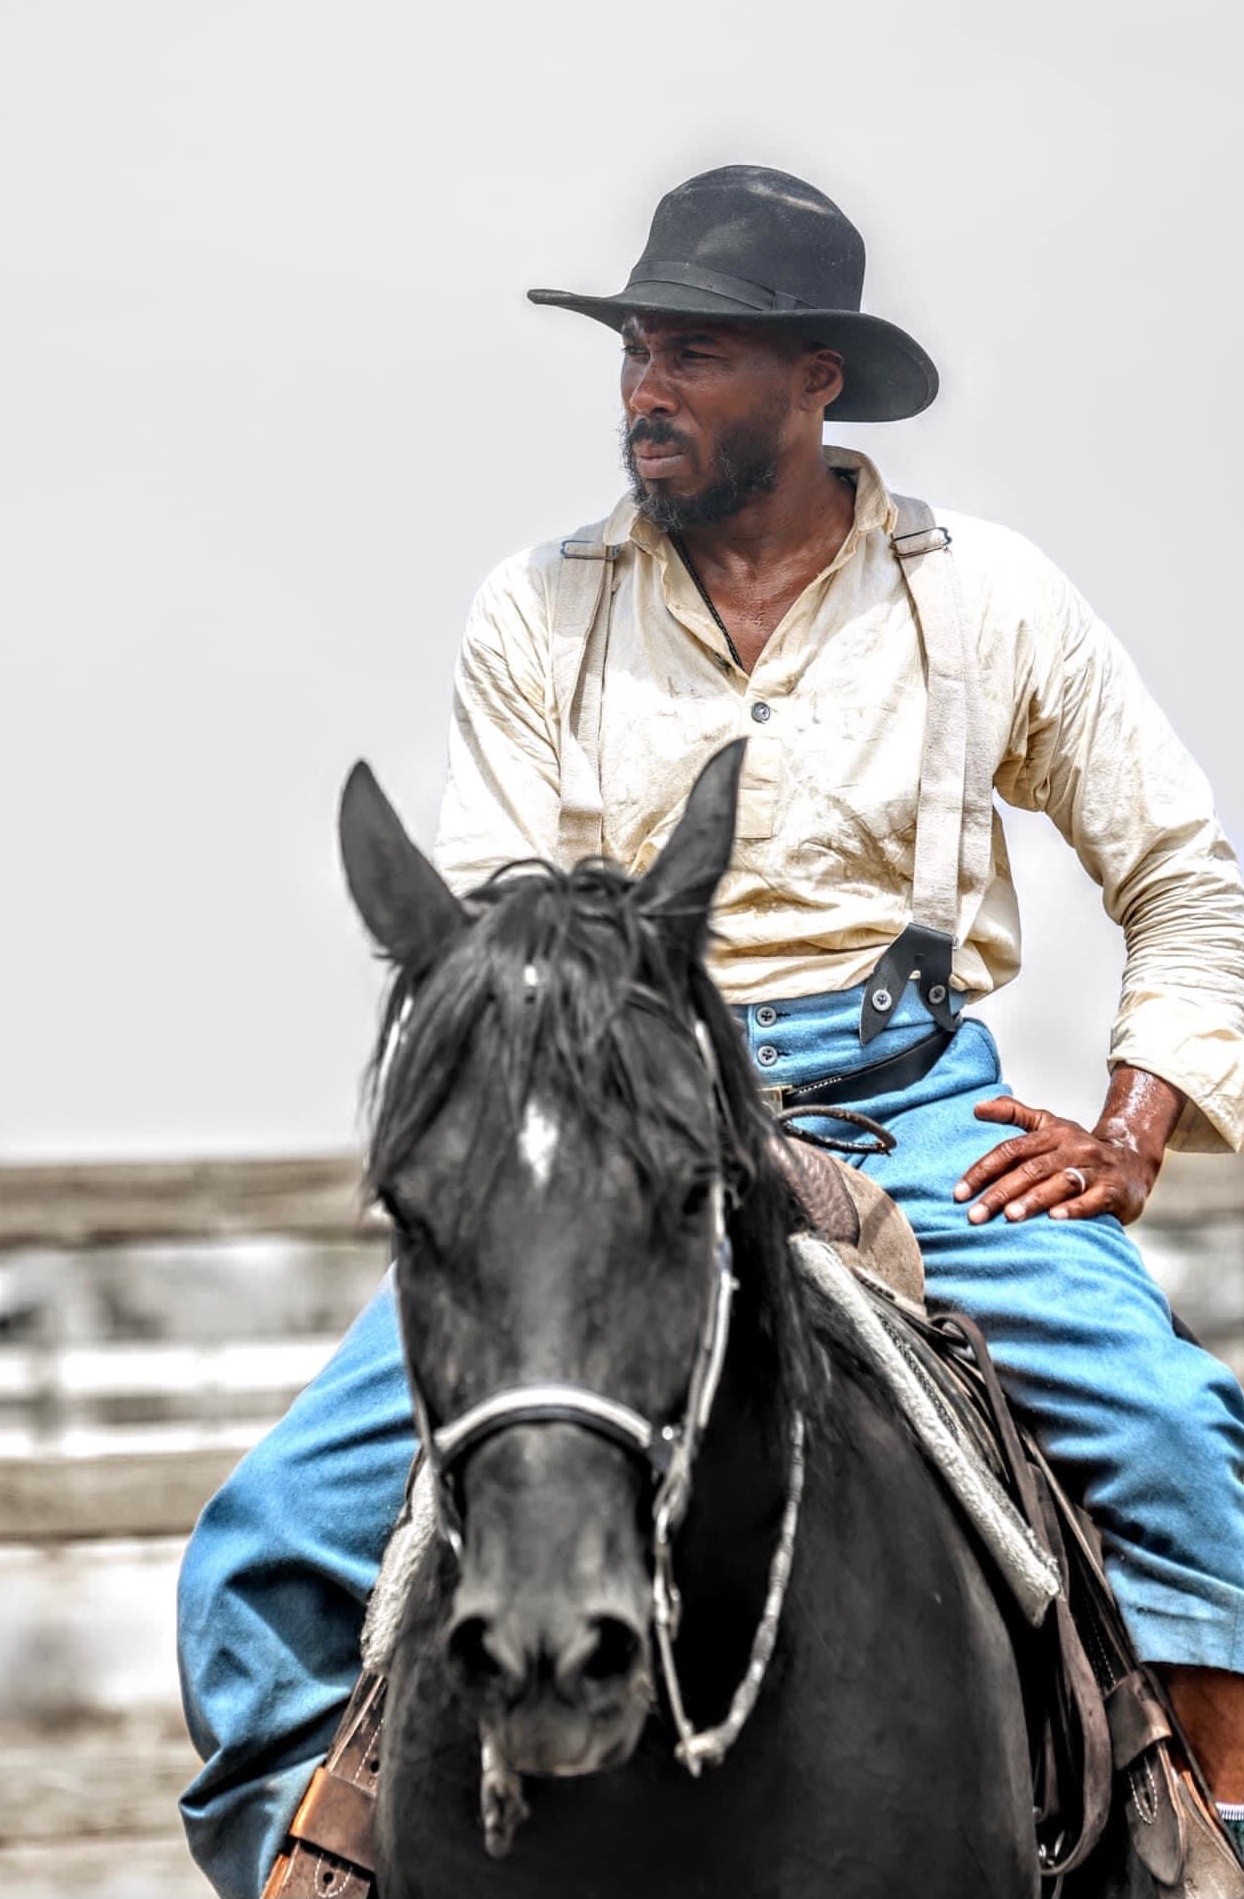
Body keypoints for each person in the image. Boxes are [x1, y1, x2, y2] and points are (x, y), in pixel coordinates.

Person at [177, 165, 1244, 1896]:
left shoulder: (987, 600)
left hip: (912, 1117)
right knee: (265, 1543)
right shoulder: (540, 609)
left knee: (1180, 1448)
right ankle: (306, 1866)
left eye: (692, 354)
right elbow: (508, 942)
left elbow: (1186, 877)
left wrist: (1133, 1129)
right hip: (619, 1125)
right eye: (636, 351)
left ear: (816, 380)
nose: (644, 389)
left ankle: (1209, 1846)